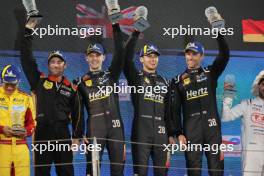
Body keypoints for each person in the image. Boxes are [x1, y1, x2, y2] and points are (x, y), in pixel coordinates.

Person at [20, 20, 84, 175]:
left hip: (63, 133)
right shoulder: (39, 81)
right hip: (42, 133)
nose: (56, 65)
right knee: (41, 172)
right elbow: (27, 60)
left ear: (65, 65)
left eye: (59, 62)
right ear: (48, 65)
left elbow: (78, 114)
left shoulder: (72, 88)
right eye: (53, 62)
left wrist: (76, 137)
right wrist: (28, 32)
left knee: (66, 172)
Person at [170, 16, 230, 176]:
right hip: (191, 131)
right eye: (188, 54)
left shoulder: (211, 73)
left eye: (194, 54)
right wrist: (179, 133)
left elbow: (224, 55)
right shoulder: (177, 81)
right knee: (193, 172)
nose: (190, 57)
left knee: (216, 171)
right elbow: (175, 111)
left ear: (201, 56)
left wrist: (218, 32)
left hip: (212, 130)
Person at [74, 3, 126, 176]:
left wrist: (115, 24)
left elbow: (120, 51)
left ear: (103, 57)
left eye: (97, 55)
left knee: (118, 170)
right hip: (94, 130)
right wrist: (79, 134)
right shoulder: (80, 82)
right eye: (91, 56)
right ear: (86, 59)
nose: (94, 58)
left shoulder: (112, 74)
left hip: (116, 128)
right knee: (92, 171)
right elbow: (78, 112)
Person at [124, 28, 174, 176]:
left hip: (161, 133)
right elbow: (126, 58)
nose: (153, 59)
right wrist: (135, 33)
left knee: (162, 173)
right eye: (149, 56)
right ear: (141, 59)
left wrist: (171, 133)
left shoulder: (165, 81)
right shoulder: (135, 77)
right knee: (140, 173)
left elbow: (169, 111)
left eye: (155, 56)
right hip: (141, 131)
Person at [222, 70, 264, 176]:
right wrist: (228, 95)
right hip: (252, 155)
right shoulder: (247, 104)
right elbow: (225, 117)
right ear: (258, 86)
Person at [0, 65, 35, 176]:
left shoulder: (26, 98)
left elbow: (32, 122)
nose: (10, 87)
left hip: (21, 147)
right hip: (1, 146)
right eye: (7, 84)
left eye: (13, 84)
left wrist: (26, 131)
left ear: (18, 82)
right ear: (1, 81)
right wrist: (1, 129)